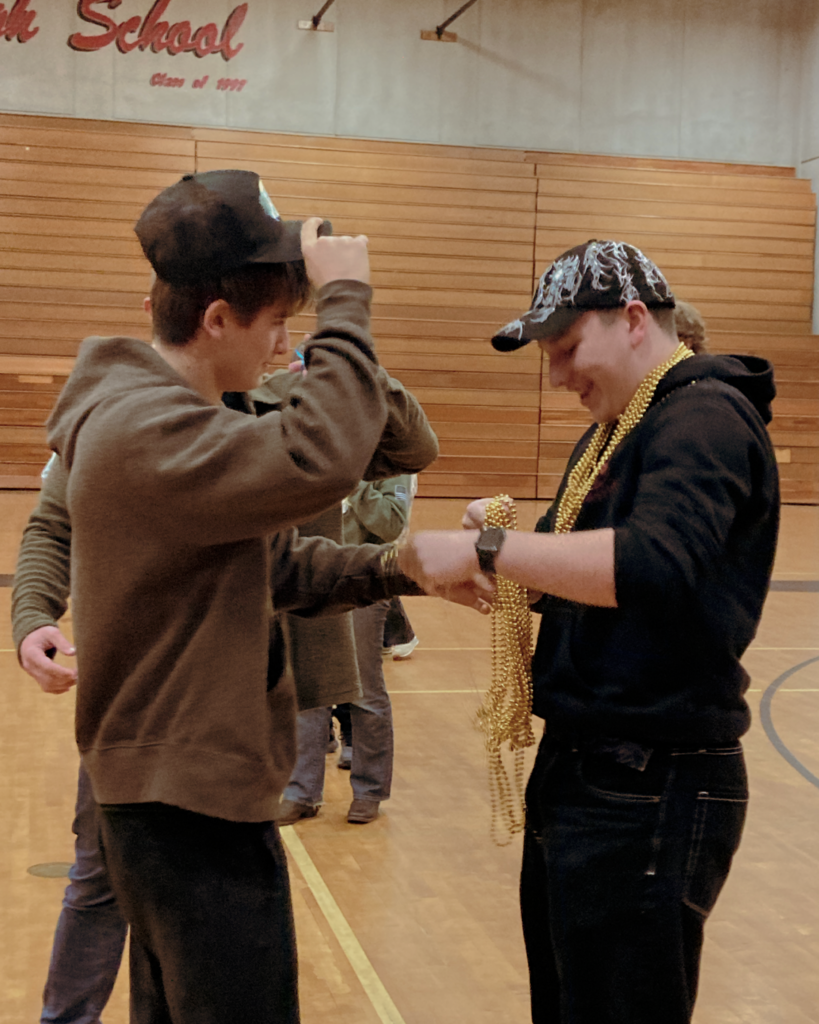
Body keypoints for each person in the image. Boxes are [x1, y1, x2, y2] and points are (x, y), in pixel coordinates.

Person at [16, 167, 488, 1024]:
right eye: (277, 325)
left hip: (187, 794)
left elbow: (275, 571)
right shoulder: (144, 427)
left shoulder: (178, 424)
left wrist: (402, 565)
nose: (283, 348)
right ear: (216, 319)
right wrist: (345, 302)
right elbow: (323, 457)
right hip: (183, 804)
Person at [396, 239, 780, 1024]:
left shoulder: (701, 417)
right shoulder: (621, 427)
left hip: (651, 781)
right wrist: (510, 561)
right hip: (590, 769)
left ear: (634, 319)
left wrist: (489, 547)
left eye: (567, 348)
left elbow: (653, 567)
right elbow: (593, 578)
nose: (559, 375)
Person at [14, 375, 435, 1024]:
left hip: (230, 729)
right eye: (267, 313)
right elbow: (52, 521)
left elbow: (410, 448)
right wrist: (34, 611)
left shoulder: (284, 414)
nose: (278, 337)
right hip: (134, 711)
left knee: (198, 953)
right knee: (100, 882)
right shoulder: (115, 414)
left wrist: (355, 356)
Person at [278, 473, 415, 825]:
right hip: (315, 580)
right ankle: (300, 792)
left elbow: (389, 525)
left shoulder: (389, 464)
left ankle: (369, 790)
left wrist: (355, 484)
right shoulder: (323, 454)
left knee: (364, 690)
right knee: (310, 686)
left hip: (364, 585)